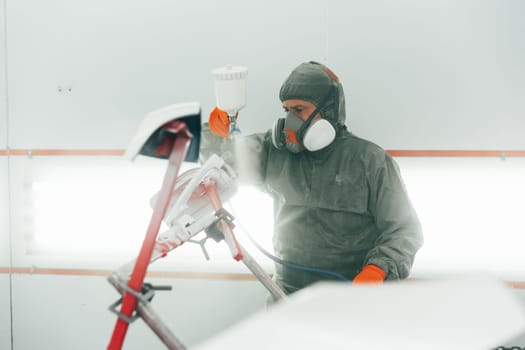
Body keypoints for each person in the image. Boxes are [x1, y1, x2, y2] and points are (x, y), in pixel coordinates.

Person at [200, 61, 423, 297]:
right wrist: (214, 132)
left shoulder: (370, 161)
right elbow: (219, 161)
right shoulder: (274, 152)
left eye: (298, 110)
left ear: (327, 111)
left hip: (353, 296)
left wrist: (377, 270)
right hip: (286, 295)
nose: (289, 120)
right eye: (286, 110)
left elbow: (404, 230)